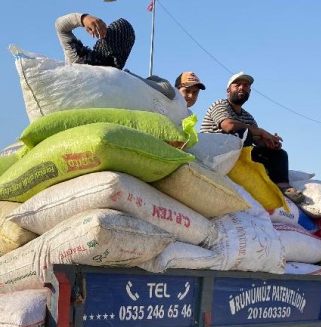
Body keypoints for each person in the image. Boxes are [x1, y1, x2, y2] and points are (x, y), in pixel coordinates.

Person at [200, 72, 306, 204]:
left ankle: (283, 187)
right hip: (215, 153)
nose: (241, 88)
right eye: (237, 85)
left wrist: (270, 143)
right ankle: (242, 174)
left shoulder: (248, 117)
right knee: (242, 133)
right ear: (228, 90)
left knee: (279, 154)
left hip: (239, 153)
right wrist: (261, 132)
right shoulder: (220, 105)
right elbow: (228, 126)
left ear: (249, 91)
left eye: (245, 86)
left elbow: (257, 140)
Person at [55, 13, 177, 101]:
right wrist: (149, 79)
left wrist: (83, 19)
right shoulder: (125, 80)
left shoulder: (77, 58)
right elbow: (168, 91)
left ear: (104, 39)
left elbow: (61, 27)